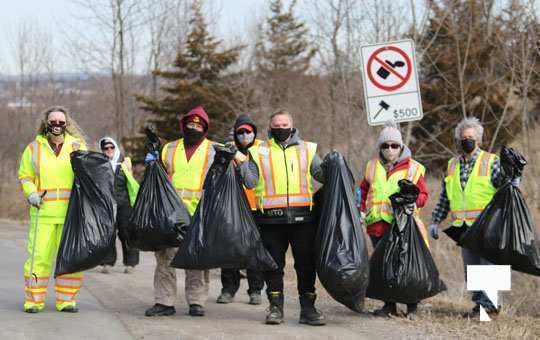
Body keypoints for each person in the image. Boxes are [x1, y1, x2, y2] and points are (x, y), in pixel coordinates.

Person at [429, 116, 513, 317]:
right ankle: (480, 305)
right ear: (458, 140)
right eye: (464, 137)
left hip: (488, 223)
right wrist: (435, 220)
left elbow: (505, 185)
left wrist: (512, 173)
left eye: (471, 138)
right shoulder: (452, 165)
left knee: (489, 266)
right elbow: (445, 196)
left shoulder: (491, 161)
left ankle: (491, 307)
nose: (468, 141)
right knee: (473, 267)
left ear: (479, 140)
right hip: (463, 226)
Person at [251, 110, 326, 326]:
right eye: (276, 125)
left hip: (303, 220)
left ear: (292, 127)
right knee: (273, 265)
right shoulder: (259, 151)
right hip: (271, 221)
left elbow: (322, 175)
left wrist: (336, 166)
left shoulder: (308, 149)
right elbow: (249, 181)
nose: (281, 128)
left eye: (285, 124)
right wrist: (238, 163)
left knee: (306, 265)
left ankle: (308, 309)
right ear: (270, 127)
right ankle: (275, 307)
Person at [143, 106, 219, 317]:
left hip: (200, 213)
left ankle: (196, 301)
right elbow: (160, 175)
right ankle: (164, 302)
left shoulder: (215, 149)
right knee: (165, 258)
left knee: (196, 259)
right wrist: (153, 156)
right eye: (190, 125)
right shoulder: (169, 148)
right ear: (183, 126)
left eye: (198, 125)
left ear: (204, 128)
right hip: (171, 214)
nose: (193, 128)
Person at [18, 106, 87, 313]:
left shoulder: (77, 146)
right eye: (53, 121)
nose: (57, 125)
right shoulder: (34, 149)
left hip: (70, 214)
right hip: (43, 212)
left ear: (67, 124)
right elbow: (25, 176)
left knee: (70, 258)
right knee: (38, 258)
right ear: (46, 123)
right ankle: (33, 301)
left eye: (61, 122)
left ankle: (66, 300)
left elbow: (89, 176)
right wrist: (31, 193)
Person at [359, 121, 428, 320]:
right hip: (377, 224)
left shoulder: (414, 168)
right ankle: (389, 305)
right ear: (380, 147)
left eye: (394, 145)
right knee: (383, 266)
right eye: (385, 145)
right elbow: (363, 191)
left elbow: (423, 194)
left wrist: (414, 203)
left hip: (402, 226)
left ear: (401, 147)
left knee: (404, 265)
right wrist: (360, 210)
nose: (390, 149)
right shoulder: (371, 166)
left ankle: (411, 306)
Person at [216, 113, 264, 306]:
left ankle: (255, 290)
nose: (245, 135)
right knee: (229, 251)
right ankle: (228, 289)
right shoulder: (227, 149)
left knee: (254, 252)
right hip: (232, 208)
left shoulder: (263, 149)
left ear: (254, 132)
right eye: (241, 132)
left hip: (256, 208)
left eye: (248, 131)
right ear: (235, 133)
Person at [98, 137, 140, 274]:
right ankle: (107, 262)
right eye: (106, 148)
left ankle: (131, 263)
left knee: (126, 232)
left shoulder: (125, 163)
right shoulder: (99, 164)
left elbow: (131, 182)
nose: (109, 150)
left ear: (115, 148)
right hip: (106, 205)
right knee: (108, 234)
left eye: (112, 147)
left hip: (124, 204)